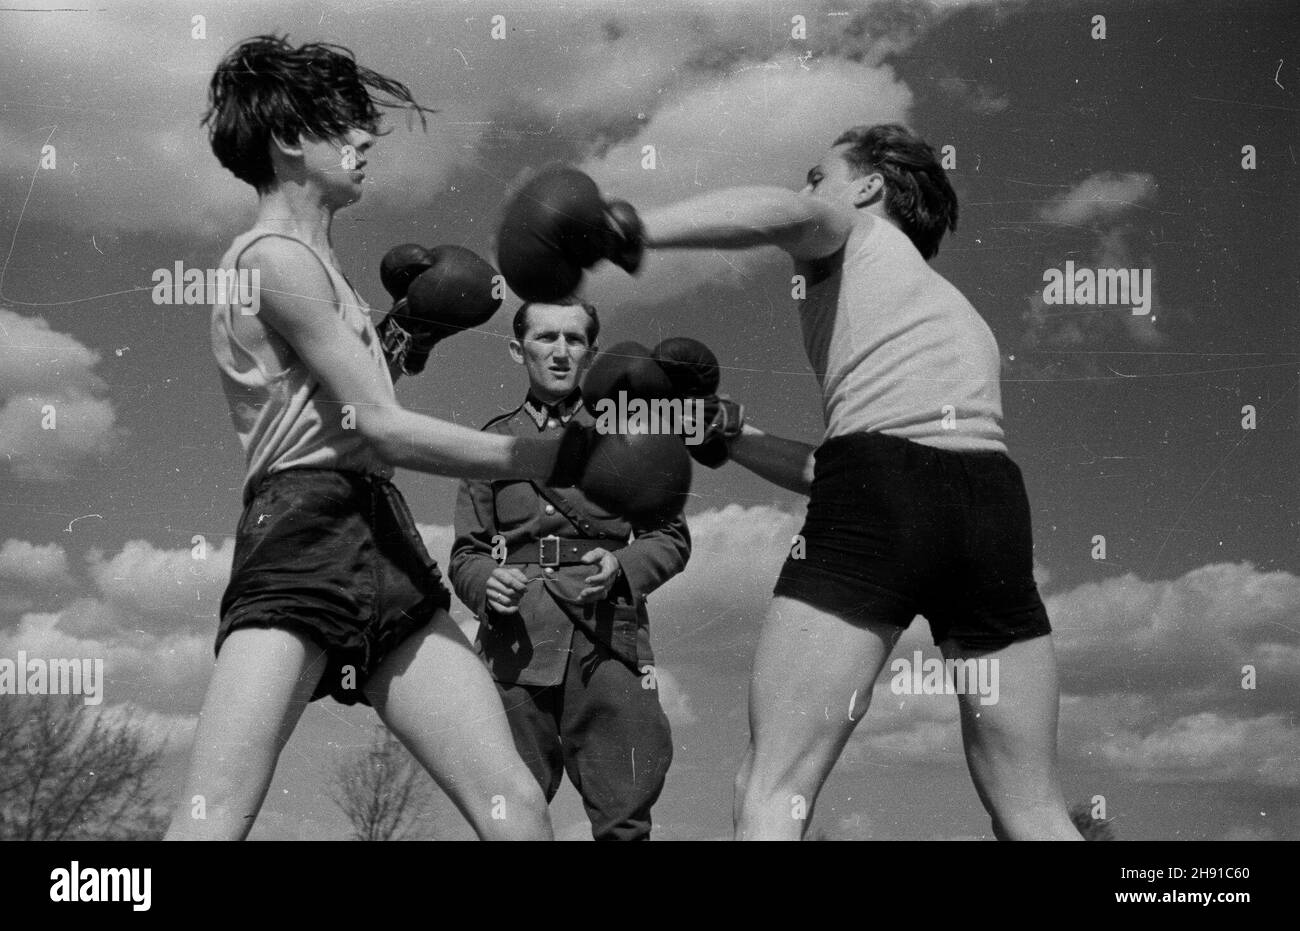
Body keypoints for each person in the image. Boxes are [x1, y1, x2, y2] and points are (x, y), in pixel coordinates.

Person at [495, 123, 1080, 840]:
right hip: (992, 507)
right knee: (1033, 806)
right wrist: (726, 435)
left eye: (818, 175)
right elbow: (838, 469)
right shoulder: (953, 319)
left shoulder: (858, 233)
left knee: (774, 783)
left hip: (880, 491)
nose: (808, 191)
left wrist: (630, 230)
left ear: (867, 187)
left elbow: (790, 217)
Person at [168, 35, 684, 841]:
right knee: (212, 819)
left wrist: (407, 334)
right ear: (291, 139)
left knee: (511, 797)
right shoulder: (270, 260)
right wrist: (563, 455)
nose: (366, 140)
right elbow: (378, 425)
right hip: (302, 533)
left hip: (382, 535)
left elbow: (348, 408)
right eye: (344, 124)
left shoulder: (320, 265)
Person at [449, 299, 689, 841]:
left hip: (606, 638)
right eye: (545, 337)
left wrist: (623, 564)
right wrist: (488, 581)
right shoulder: (491, 443)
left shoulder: (631, 434)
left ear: (593, 352)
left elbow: (669, 536)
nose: (560, 352)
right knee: (508, 814)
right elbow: (466, 554)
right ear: (518, 349)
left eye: (575, 340)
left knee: (625, 817)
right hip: (516, 645)